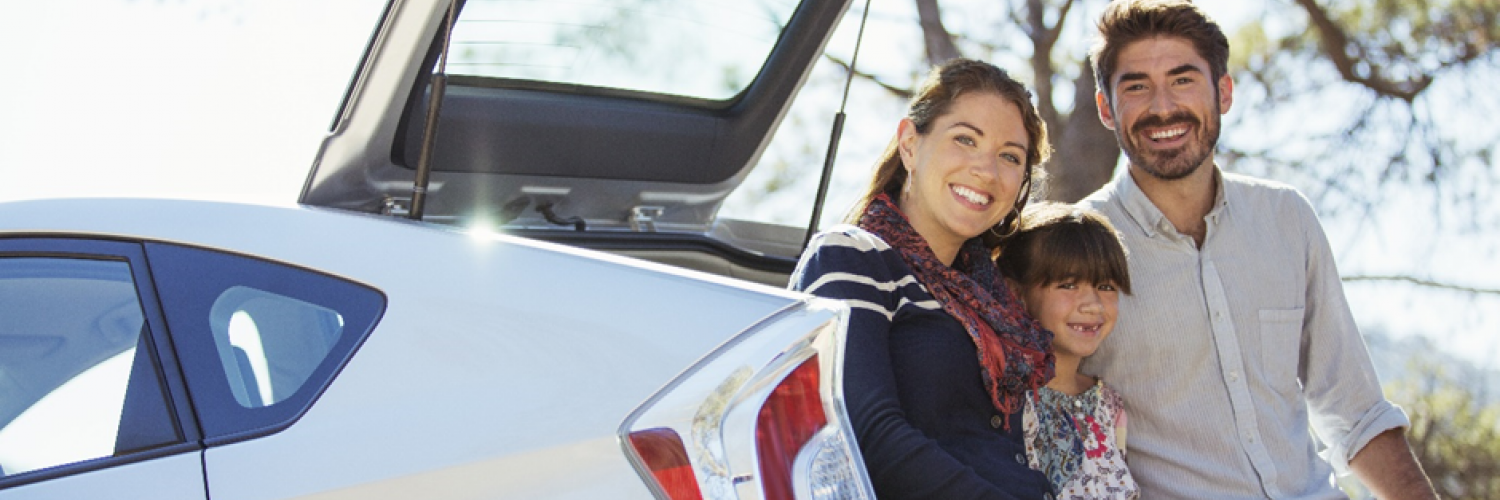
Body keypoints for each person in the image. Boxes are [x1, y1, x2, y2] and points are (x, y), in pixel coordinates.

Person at [1077, 1, 1439, 498]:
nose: (1162, 107)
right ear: (1105, 107)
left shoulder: (1286, 218)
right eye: (1136, 85)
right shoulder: (1074, 246)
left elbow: (1356, 412)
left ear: (1223, 92)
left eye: (1183, 80)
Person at [789, 58, 1055, 499]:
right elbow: (865, 432)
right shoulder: (854, 256)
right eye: (965, 139)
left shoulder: (998, 300)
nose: (986, 170)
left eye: (1010, 156)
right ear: (910, 144)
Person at [998, 202, 1139, 499]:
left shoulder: (1109, 405)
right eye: (1068, 284)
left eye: (1106, 286)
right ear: (1016, 293)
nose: (1093, 304)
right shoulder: (1005, 402)